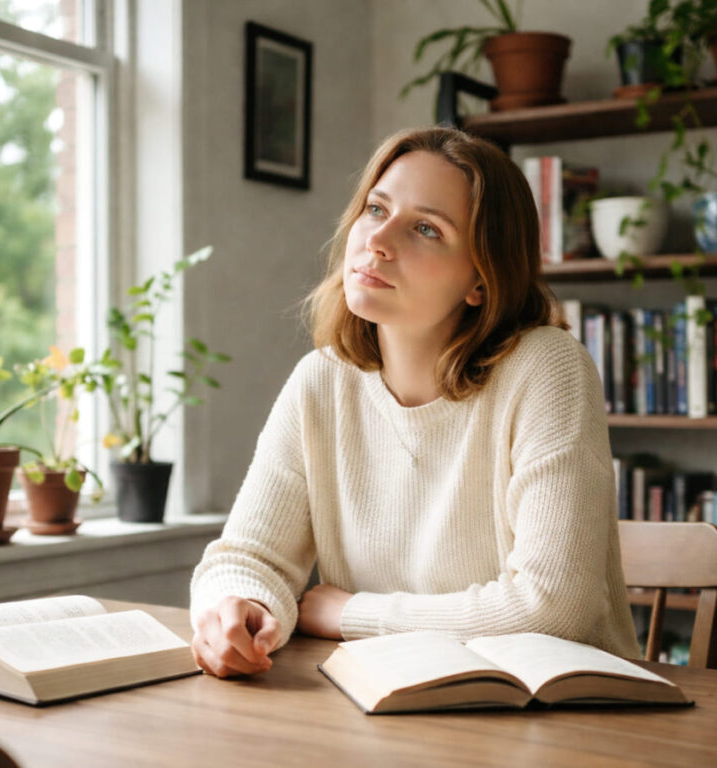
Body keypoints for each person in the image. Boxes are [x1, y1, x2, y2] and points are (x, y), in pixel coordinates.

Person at [189, 126, 640, 678]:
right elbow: (248, 558)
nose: (379, 240)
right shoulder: (322, 382)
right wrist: (241, 607)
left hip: (557, 718)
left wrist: (354, 613)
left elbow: (552, 607)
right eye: (376, 209)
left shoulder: (548, 367)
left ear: (481, 278)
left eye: (426, 228)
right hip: (385, 704)